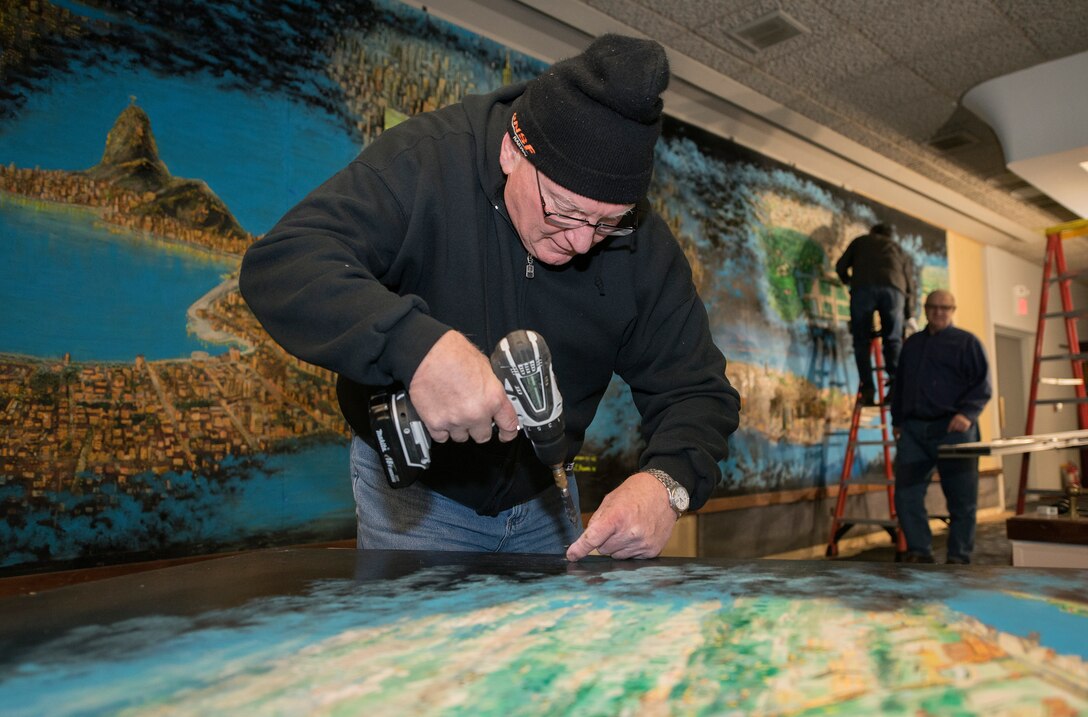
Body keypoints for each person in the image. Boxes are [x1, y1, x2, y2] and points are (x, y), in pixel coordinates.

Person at [239, 34, 741, 562]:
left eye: (607, 224)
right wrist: (414, 346)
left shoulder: (642, 243)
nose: (581, 241)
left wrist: (667, 485)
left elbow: (697, 390)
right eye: (563, 211)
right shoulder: (424, 165)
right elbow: (285, 261)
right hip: (421, 499)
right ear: (511, 150)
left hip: (551, 496)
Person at [890, 290, 991, 564]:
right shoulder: (912, 345)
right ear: (926, 309)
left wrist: (968, 414)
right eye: (933, 307)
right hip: (914, 431)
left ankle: (958, 557)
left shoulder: (967, 343)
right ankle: (920, 553)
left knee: (962, 500)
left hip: (954, 431)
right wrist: (897, 421)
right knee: (906, 496)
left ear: (953, 310)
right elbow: (900, 386)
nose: (939, 312)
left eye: (945, 307)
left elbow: (983, 385)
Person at [835, 223, 916, 405]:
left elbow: (840, 266)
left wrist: (850, 282)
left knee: (861, 341)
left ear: (873, 232)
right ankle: (895, 388)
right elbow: (910, 284)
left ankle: (867, 390)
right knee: (893, 340)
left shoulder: (860, 242)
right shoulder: (898, 249)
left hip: (863, 289)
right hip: (895, 291)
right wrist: (909, 314)